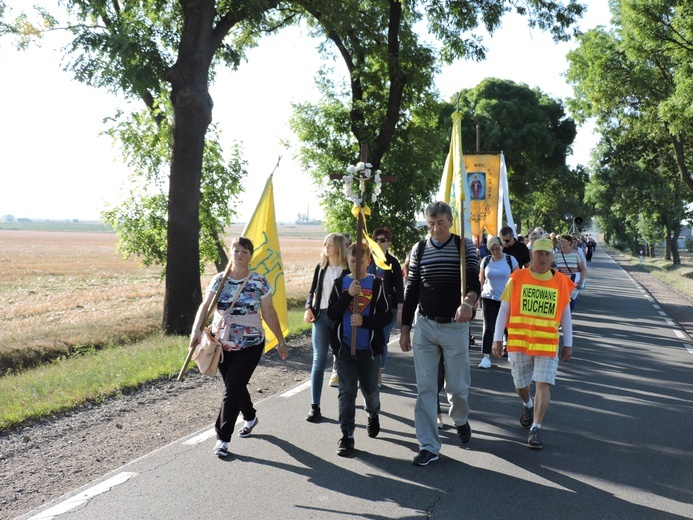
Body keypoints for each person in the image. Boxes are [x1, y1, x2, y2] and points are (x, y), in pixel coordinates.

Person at [190, 236, 289, 458]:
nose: (239, 254)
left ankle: (222, 438)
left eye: (244, 251)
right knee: (235, 385)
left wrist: (281, 341)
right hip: (221, 344)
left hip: (250, 344)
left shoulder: (259, 282)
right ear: (230, 253)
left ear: (250, 256)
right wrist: (196, 330)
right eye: (236, 250)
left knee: (232, 388)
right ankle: (251, 417)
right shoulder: (219, 280)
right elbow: (205, 307)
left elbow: (269, 313)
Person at [400, 201, 481, 466]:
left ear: (450, 222)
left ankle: (459, 418)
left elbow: (473, 282)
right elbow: (411, 289)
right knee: (425, 388)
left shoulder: (464, 246)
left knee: (457, 387)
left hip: (455, 326)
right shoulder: (419, 248)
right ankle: (429, 446)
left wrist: (467, 303)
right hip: (424, 325)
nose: (436, 229)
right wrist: (403, 329)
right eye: (431, 224)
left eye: (441, 223)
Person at [491, 237, 574, 450]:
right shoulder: (517, 278)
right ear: (531, 255)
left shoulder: (561, 282)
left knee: (543, 384)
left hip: (547, 344)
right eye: (539, 254)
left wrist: (568, 343)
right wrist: (497, 338)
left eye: (547, 254)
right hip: (519, 342)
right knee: (521, 385)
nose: (543, 258)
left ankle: (536, 428)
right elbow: (504, 310)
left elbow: (565, 315)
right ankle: (527, 404)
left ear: (552, 257)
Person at [328, 241, 392, 456]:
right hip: (345, 348)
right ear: (348, 260)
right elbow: (332, 314)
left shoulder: (377, 285)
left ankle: (373, 413)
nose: (356, 266)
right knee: (346, 391)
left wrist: (364, 322)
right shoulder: (340, 284)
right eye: (352, 261)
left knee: (370, 390)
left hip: (369, 349)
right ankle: (347, 435)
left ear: (369, 261)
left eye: (361, 262)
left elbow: (386, 316)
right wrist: (347, 295)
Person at [303, 233, 349, 422]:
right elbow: (312, 291)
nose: (326, 247)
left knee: (345, 361)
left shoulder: (348, 270)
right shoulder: (320, 268)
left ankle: (347, 405)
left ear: (338, 247)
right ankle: (315, 407)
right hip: (320, 318)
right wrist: (308, 307)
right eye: (324, 244)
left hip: (341, 320)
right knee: (318, 360)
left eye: (330, 244)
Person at [367, 227, 404, 387]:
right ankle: (368, 372)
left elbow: (399, 287)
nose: (379, 243)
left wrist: (401, 310)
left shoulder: (392, 262)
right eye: (376, 240)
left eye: (382, 240)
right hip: (368, 308)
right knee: (369, 340)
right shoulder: (367, 260)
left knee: (381, 340)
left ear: (388, 243)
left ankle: (378, 377)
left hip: (388, 309)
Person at [479, 236, 518, 369]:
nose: (495, 251)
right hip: (489, 297)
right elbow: (482, 279)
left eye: (497, 248)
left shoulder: (510, 260)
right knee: (489, 327)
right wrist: (479, 298)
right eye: (492, 249)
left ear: (502, 246)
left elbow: (518, 280)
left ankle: (512, 354)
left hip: (507, 298)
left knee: (509, 327)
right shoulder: (486, 260)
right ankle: (485, 357)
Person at [553, 234, 586, 312]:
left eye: (563, 241)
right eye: (560, 240)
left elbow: (583, 269)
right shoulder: (556, 255)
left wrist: (581, 281)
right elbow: (551, 267)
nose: (561, 242)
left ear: (570, 242)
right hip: (561, 282)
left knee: (571, 305)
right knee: (560, 304)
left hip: (573, 282)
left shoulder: (575, 254)